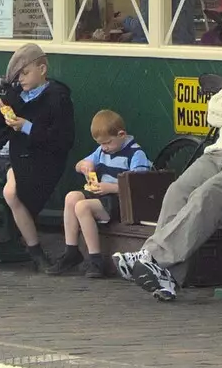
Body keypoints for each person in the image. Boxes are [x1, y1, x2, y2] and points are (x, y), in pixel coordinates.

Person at [117, 14, 222, 302]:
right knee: (178, 190)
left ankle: (153, 257)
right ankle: (167, 277)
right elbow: (214, 110)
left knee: (209, 194)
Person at [0, 42, 75, 271]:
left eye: (25, 73)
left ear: (42, 70)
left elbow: (62, 139)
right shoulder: (15, 94)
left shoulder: (57, 97)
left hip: (31, 158)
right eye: (19, 76)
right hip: (0, 153)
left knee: (11, 191)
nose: (22, 80)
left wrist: (27, 127)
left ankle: (35, 250)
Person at [50, 110, 150, 277]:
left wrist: (110, 188)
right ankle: (71, 251)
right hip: (102, 195)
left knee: (82, 207)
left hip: (120, 201)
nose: (104, 148)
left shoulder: (135, 154)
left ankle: (95, 260)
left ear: (121, 134)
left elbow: (137, 184)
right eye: (101, 144)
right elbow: (79, 164)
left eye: (108, 143)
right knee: (71, 197)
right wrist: (84, 165)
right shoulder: (101, 151)